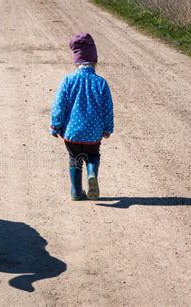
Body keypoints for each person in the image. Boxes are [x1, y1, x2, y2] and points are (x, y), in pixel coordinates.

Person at [50, 32, 114, 201]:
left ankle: (76, 192)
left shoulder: (68, 80)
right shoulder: (101, 82)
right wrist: (108, 128)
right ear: (94, 60)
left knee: (75, 159)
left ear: (76, 61)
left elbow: (59, 106)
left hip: (72, 132)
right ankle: (92, 173)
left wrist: (56, 125)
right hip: (93, 133)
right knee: (93, 155)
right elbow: (108, 108)